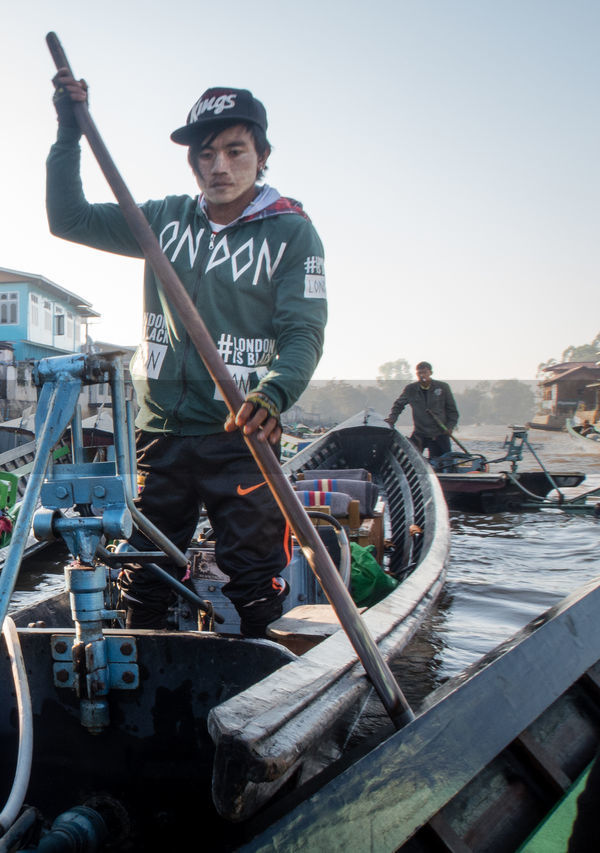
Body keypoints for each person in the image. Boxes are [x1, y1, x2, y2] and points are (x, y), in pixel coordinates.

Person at [47, 76, 327, 637]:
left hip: (241, 435)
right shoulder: (164, 221)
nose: (218, 166)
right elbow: (68, 218)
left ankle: (260, 673)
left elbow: (304, 332)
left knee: (253, 577)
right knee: (144, 571)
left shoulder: (292, 233)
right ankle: (141, 662)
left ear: (262, 156)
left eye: (234, 151)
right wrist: (68, 132)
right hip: (161, 434)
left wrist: (273, 393)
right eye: (205, 154)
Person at [385, 362, 459, 458]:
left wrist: (450, 426)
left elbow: (452, 411)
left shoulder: (443, 387)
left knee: (443, 462)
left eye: (424, 372)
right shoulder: (411, 389)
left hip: (439, 433)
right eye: (419, 373)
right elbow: (398, 405)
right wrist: (392, 419)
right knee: (409, 458)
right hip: (420, 433)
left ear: (430, 373)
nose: (422, 375)